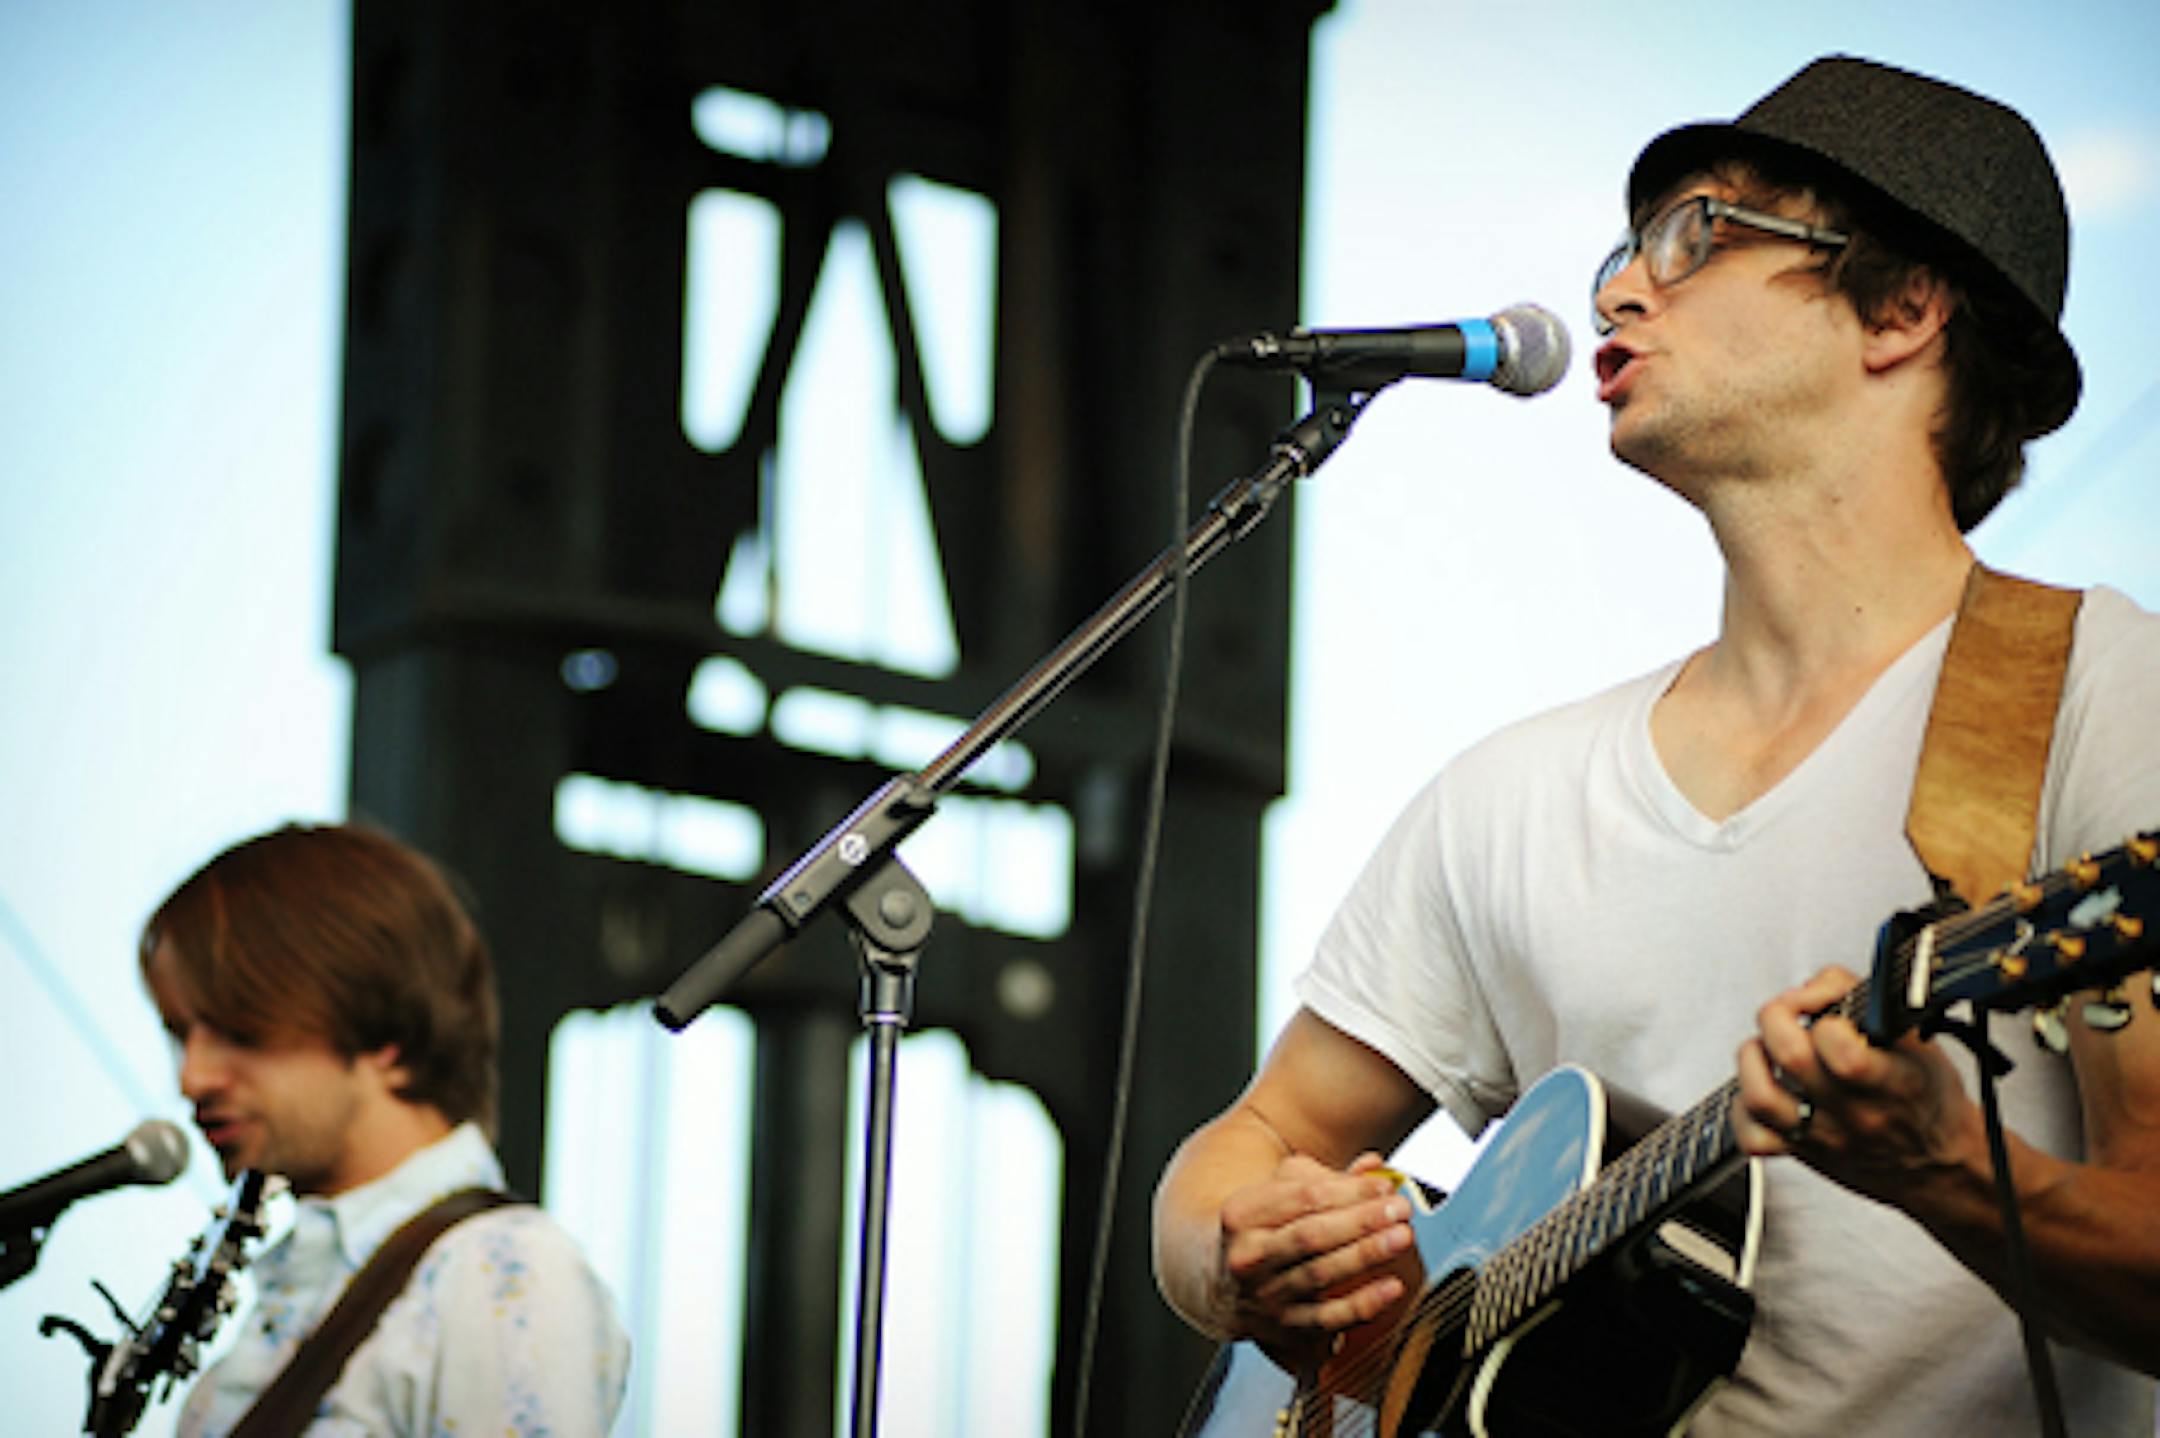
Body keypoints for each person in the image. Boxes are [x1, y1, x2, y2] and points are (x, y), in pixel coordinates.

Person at [1154, 54, 2160, 1434]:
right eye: (1625, 250)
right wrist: (1239, 1257)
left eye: (1699, 232)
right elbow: (1247, 1148)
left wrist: (1944, 1168)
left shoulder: (2101, 696)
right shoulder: (1512, 797)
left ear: (1905, 308)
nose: (1622, 290)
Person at [139, 822, 630, 1436]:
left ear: (384, 1038)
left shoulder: (498, 1272)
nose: (193, 1078)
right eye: (180, 1034)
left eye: (241, 1030)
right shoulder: (305, 1273)